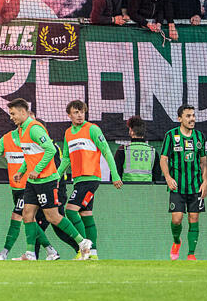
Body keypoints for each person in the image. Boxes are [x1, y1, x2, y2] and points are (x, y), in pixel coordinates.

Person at [8, 98, 91, 261]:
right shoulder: (21, 130)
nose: (11, 117)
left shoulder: (34, 129)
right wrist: (21, 171)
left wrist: (37, 170)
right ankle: (30, 253)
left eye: (13, 113)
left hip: (46, 179)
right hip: (33, 182)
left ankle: (82, 242)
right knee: (27, 214)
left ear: (23, 112)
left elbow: (50, 150)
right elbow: (30, 155)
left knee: (52, 216)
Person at [0, 111, 63, 261]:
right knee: (28, 219)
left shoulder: (34, 136)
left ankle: (4, 253)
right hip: (15, 186)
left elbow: (47, 154)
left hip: (29, 185)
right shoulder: (8, 138)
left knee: (17, 217)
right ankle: (50, 250)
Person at [56, 100, 123, 260]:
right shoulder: (68, 133)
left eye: (82, 112)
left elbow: (106, 150)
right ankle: (93, 254)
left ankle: (84, 248)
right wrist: (56, 178)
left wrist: (115, 175)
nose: (79, 115)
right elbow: (66, 158)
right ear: (69, 115)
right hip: (78, 179)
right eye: (76, 112)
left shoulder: (92, 129)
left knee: (71, 211)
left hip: (91, 178)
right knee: (86, 214)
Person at [160, 104, 207, 261]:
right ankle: (176, 241)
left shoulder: (200, 137)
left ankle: (191, 254)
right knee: (177, 219)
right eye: (188, 116)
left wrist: (205, 181)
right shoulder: (171, 136)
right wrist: (168, 177)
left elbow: (203, 163)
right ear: (179, 118)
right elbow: (163, 159)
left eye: (193, 115)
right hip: (177, 186)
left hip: (195, 186)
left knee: (194, 218)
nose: (192, 119)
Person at [114, 116, 162, 183]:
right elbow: (157, 176)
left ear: (131, 131)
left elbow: (115, 174)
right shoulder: (153, 151)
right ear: (143, 132)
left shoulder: (122, 150)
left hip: (127, 189)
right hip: (147, 190)